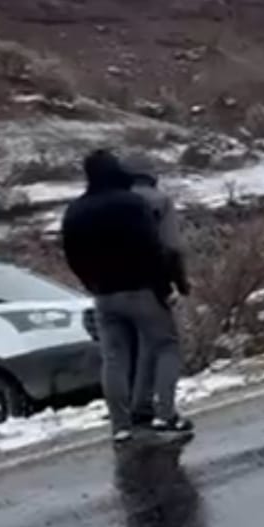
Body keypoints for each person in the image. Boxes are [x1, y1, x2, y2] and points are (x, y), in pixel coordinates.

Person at [62, 149, 190, 442]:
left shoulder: (76, 210)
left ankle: (121, 424)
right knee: (167, 345)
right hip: (141, 289)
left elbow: (72, 255)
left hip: (104, 295)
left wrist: (92, 284)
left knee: (114, 359)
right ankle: (166, 414)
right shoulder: (130, 204)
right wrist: (165, 286)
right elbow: (152, 248)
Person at [128, 171, 191, 300]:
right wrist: (181, 284)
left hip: (114, 288)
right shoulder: (161, 200)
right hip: (155, 285)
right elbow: (171, 246)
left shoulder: (113, 201)